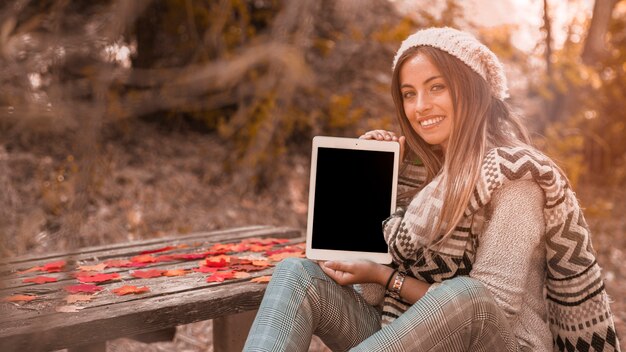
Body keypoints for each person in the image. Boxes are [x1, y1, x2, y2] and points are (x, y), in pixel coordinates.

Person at [243, 27, 621, 352]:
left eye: (436, 87)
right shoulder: (422, 175)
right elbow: (373, 298)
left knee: (468, 295)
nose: (420, 107)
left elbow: (488, 311)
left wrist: (385, 277)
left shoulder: (517, 177)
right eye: (409, 94)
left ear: (472, 90)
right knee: (297, 274)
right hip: (402, 336)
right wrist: (376, 182)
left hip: (496, 344)